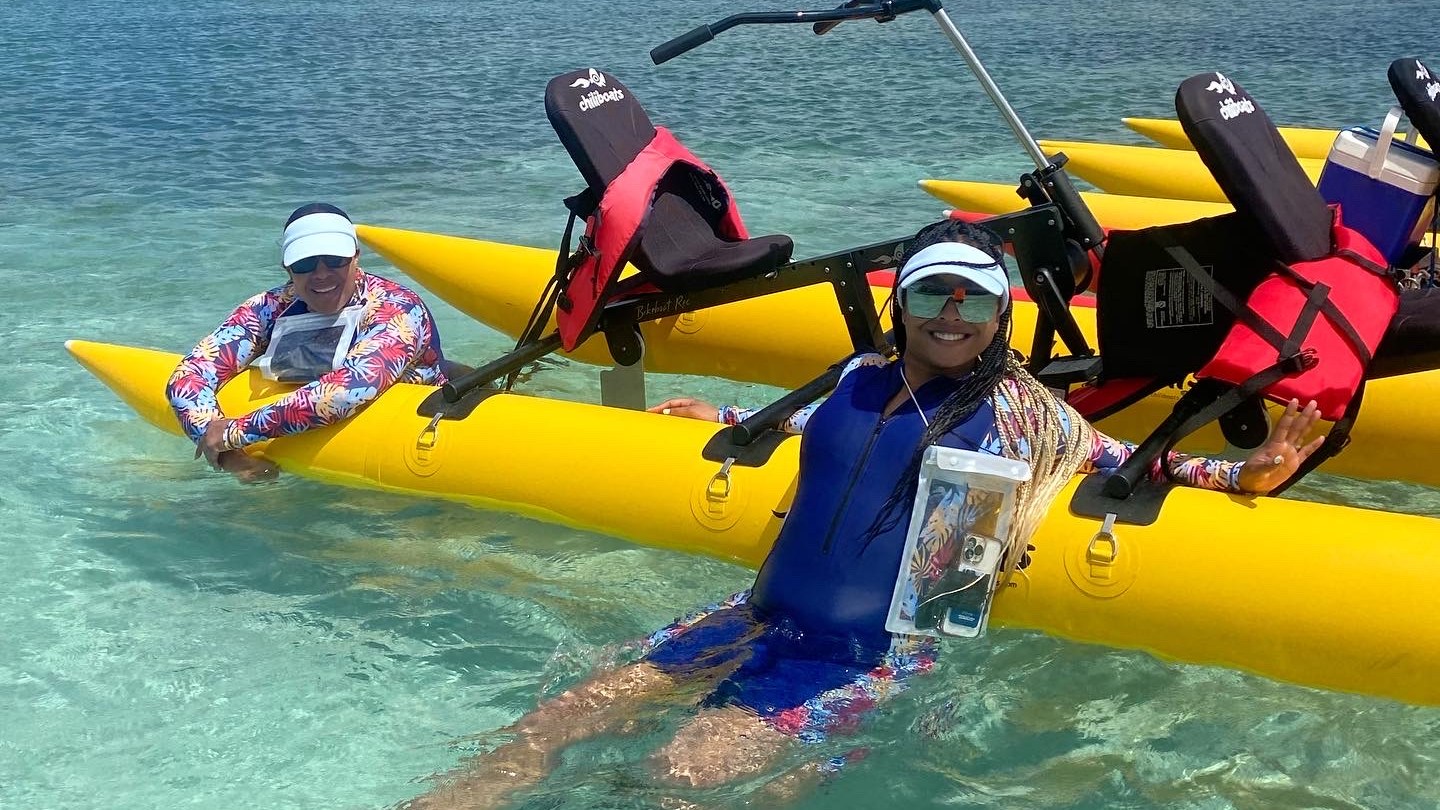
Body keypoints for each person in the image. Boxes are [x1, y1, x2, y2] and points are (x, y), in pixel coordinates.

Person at [407, 219, 1322, 809]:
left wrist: (1249, 473)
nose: (952, 315)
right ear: (904, 305)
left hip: (863, 654)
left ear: (1001, 314)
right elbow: (817, 428)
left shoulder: (1019, 409)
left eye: (974, 300)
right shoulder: (861, 377)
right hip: (757, 611)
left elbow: (1127, 462)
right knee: (552, 721)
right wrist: (721, 417)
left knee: (675, 777)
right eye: (933, 294)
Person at [166, 203, 449, 481]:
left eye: (335, 259)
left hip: (409, 431)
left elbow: (347, 392)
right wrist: (226, 452)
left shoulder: (398, 309)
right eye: (305, 264)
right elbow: (189, 375)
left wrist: (232, 432)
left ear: (356, 257)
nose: (322, 274)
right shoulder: (269, 307)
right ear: (288, 269)